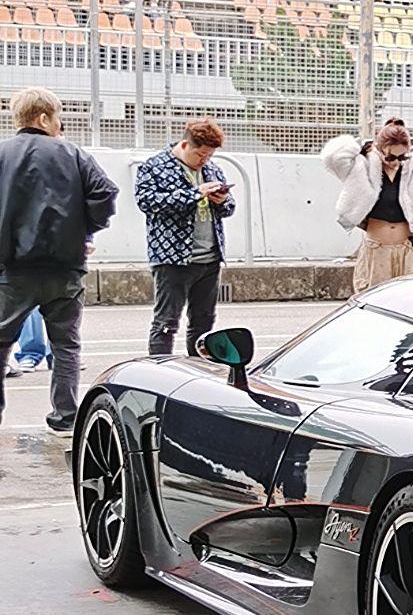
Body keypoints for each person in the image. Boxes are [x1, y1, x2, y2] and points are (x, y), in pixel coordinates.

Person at [0, 86, 117, 435]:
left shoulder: (3, 153)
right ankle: (65, 414)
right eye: (57, 118)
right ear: (43, 118)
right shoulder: (73, 153)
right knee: (66, 343)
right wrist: (83, 231)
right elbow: (105, 194)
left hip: (12, 269)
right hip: (64, 268)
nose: (58, 125)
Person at [135, 115, 237, 357]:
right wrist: (194, 194)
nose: (204, 161)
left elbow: (230, 207)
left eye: (209, 156)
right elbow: (147, 202)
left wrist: (222, 200)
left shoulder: (212, 169)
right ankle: (159, 371)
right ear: (184, 145)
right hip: (173, 259)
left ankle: (200, 370)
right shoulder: (154, 167)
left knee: (204, 323)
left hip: (209, 258)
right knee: (166, 323)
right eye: (200, 155)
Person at [324, 118, 413, 292]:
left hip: (408, 250)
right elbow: (331, 158)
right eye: (390, 156)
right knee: (375, 301)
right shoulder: (363, 166)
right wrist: (358, 146)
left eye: (401, 156)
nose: (395, 161)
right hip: (376, 250)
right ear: (378, 148)